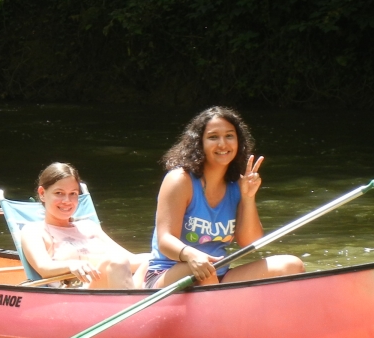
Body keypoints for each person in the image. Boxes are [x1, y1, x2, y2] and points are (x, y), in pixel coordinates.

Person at [145, 106, 304, 288]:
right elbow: (165, 240)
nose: (223, 144)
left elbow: (249, 243)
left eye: (229, 136)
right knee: (206, 272)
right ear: (199, 143)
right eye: (213, 137)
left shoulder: (237, 184)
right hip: (168, 275)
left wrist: (247, 197)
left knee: (291, 265)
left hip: (218, 275)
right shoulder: (180, 180)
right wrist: (192, 255)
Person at [20, 163, 148, 289]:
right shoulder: (35, 231)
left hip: (112, 290)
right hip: (75, 297)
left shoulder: (89, 226)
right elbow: (44, 267)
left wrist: (159, 256)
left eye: (73, 193)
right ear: (42, 193)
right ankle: (136, 306)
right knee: (116, 261)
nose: (67, 201)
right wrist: (70, 265)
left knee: (150, 261)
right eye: (59, 193)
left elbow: (130, 259)